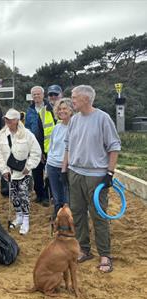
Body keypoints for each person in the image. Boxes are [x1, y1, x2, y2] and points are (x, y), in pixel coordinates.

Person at [62, 85, 121, 273]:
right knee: (78, 213)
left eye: (74, 97)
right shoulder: (74, 120)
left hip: (96, 175)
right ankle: (84, 249)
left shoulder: (103, 118)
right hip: (75, 173)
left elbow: (114, 147)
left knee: (99, 215)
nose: (72, 100)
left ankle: (105, 254)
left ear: (86, 99)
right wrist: (64, 170)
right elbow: (68, 146)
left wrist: (109, 173)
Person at [0, 108, 41, 235]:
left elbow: (36, 152)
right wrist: (3, 170)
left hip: (24, 172)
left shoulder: (27, 134)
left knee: (23, 195)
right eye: (6, 119)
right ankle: (19, 216)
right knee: (13, 195)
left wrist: (29, 167)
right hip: (9, 172)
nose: (7, 121)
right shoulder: (1, 135)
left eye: (10, 119)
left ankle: (26, 219)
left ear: (16, 120)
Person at [25, 86, 56, 206]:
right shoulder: (29, 111)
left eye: (38, 94)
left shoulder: (50, 108)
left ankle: (48, 196)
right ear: (31, 96)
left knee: (48, 172)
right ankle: (39, 194)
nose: (36, 96)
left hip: (48, 146)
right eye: (34, 95)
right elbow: (27, 128)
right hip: (34, 146)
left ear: (43, 95)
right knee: (36, 172)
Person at [46, 98, 74, 221]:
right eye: (60, 109)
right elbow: (51, 146)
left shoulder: (75, 127)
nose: (62, 111)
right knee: (56, 196)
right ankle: (57, 217)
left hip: (67, 166)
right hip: (52, 165)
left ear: (71, 110)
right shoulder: (56, 128)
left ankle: (68, 219)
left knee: (67, 196)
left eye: (65, 109)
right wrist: (47, 167)